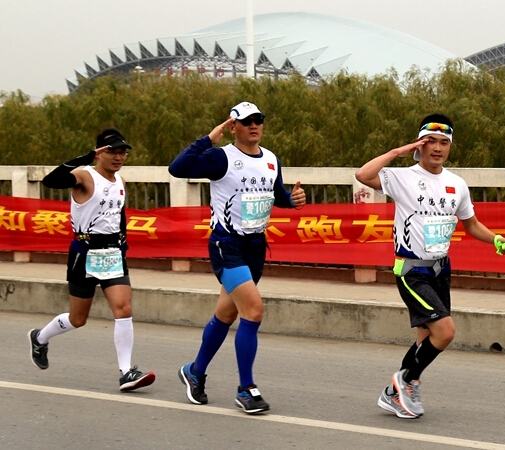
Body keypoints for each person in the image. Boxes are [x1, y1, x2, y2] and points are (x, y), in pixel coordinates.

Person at [355, 113, 505, 419]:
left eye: (444, 142)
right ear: (420, 145)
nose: (438, 148)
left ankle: (394, 393)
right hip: (411, 270)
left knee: (425, 339)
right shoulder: (403, 178)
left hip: (441, 270)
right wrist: (398, 152)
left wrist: (495, 238)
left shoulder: (456, 184)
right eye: (431, 142)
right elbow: (363, 175)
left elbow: (471, 224)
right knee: (445, 332)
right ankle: (406, 381)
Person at [168, 101, 306, 415]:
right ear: (233, 127)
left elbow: (277, 195)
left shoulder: (270, 159)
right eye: (246, 121)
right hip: (226, 245)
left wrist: (292, 199)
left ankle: (194, 372)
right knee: (253, 311)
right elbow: (177, 169)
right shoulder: (221, 158)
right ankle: (246, 389)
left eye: (259, 119)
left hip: (255, 247)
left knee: (226, 314)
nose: (254, 125)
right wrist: (208, 139)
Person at [28, 128, 156, 392]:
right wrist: (85, 157)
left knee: (123, 308)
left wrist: (122, 241)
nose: (119, 157)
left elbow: (118, 213)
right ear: (99, 153)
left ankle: (126, 372)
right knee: (78, 319)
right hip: (84, 252)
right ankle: (40, 338)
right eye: (113, 152)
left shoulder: (120, 181)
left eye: (122, 152)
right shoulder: (85, 176)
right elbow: (51, 180)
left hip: (112, 253)